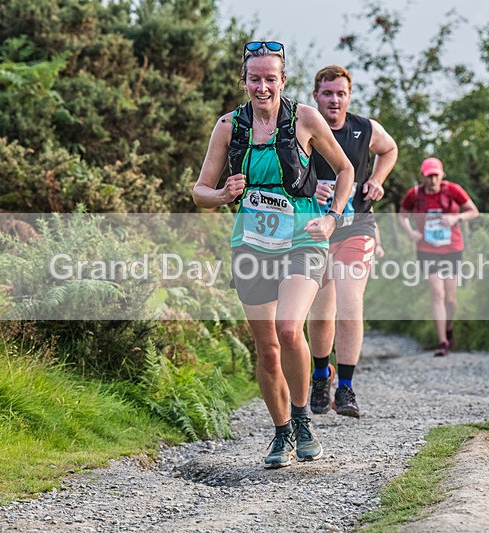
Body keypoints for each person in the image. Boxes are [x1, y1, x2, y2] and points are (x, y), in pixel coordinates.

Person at [192, 42, 354, 468]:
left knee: (287, 327)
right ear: (244, 81)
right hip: (251, 243)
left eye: (270, 78)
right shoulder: (229, 126)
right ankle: (281, 432)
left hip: (303, 237)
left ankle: (302, 418)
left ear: (283, 80)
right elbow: (199, 191)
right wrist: (222, 193)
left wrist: (333, 217)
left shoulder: (304, 118)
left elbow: (346, 170)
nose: (262, 87)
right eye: (254, 78)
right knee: (266, 349)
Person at [306, 65, 398, 418]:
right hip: (314, 228)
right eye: (327, 93)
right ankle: (319, 375)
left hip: (357, 225)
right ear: (316, 95)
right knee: (321, 309)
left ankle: (345, 387)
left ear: (349, 95)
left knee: (349, 302)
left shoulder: (364, 128)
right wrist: (311, 185)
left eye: (340, 93)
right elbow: (285, 171)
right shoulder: (304, 126)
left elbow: (389, 149)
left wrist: (377, 179)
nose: (334, 100)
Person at [398, 157, 479, 356]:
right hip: (427, 249)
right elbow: (402, 216)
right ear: (423, 176)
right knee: (437, 293)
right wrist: (410, 232)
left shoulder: (453, 190)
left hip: (452, 248)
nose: (432, 180)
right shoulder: (415, 194)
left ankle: (449, 327)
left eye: (435, 175)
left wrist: (455, 218)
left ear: (441, 174)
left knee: (451, 299)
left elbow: (473, 211)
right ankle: (442, 341)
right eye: (428, 176)